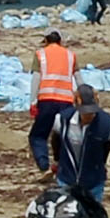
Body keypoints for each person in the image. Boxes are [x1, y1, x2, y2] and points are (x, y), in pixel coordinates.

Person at [55, 77, 110, 210]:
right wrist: (58, 162)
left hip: (94, 182)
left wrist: (100, 165)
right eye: (85, 112)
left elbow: (107, 146)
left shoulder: (107, 123)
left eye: (92, 112)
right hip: (66, 178)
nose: (89, 115)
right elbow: (56, 142)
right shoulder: (62, 120)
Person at [28, 28, 79, 172]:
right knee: (63, 134)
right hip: (66, 101)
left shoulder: (40, 54)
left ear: (45, 40)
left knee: (38, 135)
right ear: (60, 41)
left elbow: (36, 79)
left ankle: (44, 165)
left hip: (46, 100)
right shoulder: (70, 55)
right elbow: (79, 78)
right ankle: (60, 164)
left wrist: (32, 102)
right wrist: (85, 98)